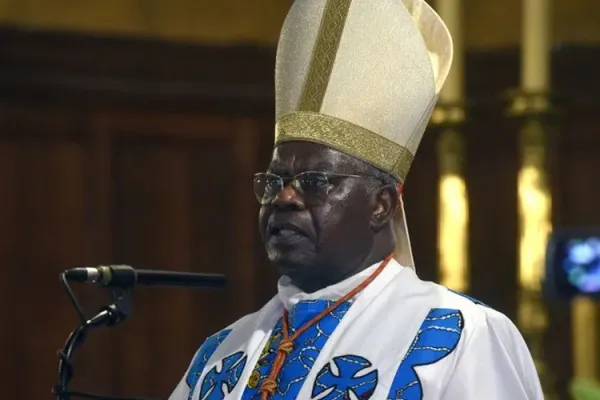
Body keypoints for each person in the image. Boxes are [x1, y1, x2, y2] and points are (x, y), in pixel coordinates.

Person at [169, 0, 544, 398]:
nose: (284, 198)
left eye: (314, 181)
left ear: (381, 204)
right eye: (276, 179)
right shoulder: (222, 353)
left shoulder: (458, 335)